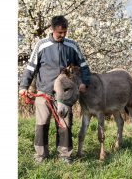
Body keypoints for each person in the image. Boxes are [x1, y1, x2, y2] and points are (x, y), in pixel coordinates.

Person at [19, 15, 91, 164]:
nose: (63, 35)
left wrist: (85, 82)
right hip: (44, 92)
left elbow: (83, 65)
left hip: (64, 94)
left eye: (65, 32)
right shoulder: (41, 45)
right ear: (52, 30)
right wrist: (24, 86)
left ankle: (64, 155)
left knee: (65, 124)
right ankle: (41, 156)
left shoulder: (72, 45)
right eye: (60, 33)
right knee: (42, 123)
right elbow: (31, 67)